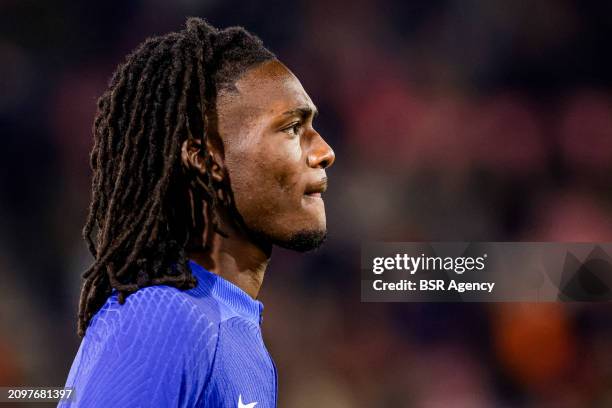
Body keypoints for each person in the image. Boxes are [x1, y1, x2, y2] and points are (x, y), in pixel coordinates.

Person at [60, 17, 335, 407]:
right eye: (292, 128)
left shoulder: (234, 332)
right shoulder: (164, 320)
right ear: (207, 158)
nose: (324, 151)